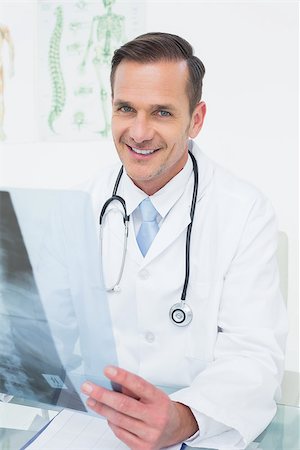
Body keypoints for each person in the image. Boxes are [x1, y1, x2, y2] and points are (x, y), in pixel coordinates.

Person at [39, 32, 287, 449]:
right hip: (92, 428)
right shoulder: (77, 205)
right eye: (125, 109)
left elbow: (255, 354)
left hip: (201, 430)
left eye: (161, 113)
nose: (138, 132)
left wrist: (183, 417)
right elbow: (47, 339)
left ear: (196, 119)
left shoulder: (244, 211)